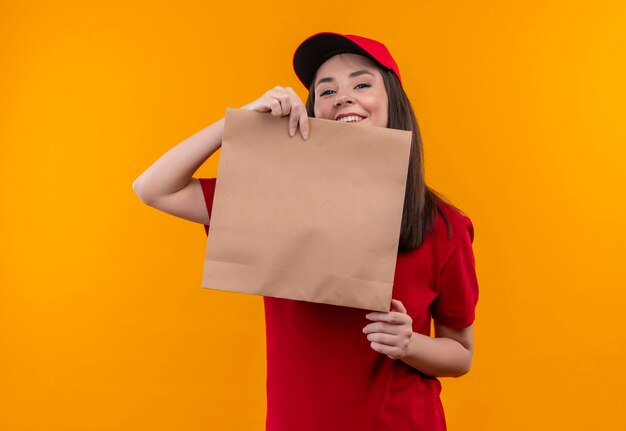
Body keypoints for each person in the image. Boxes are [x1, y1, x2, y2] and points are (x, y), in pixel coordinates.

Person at [133, 32, 479, 431]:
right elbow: (153, 188)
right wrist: (242, 120)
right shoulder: (274, 199)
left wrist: (410, 345)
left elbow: (460, 352)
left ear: (394, 103)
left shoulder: (443, 227)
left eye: (362, 84)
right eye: (325, 91)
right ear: (314, 110)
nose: (342, 97)